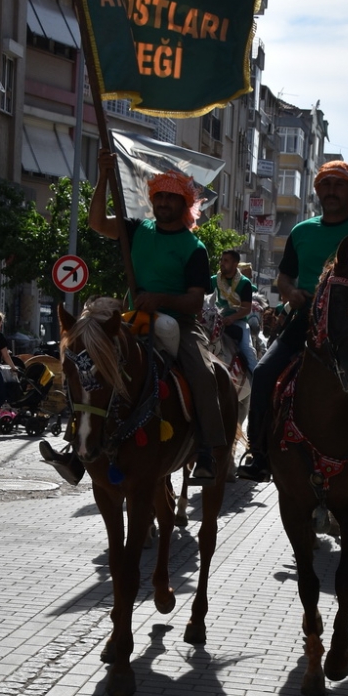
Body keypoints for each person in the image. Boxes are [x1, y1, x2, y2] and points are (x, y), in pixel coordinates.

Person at [240, 160, 348, 481]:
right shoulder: (301, 231)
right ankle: (259, 454)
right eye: (326, 185)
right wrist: (290, 292)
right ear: (318, 191)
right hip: (305, 320)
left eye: (339, 185)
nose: (331, 191)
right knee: (263, 373)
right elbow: (285, 277)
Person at [88, 152, 224, 484]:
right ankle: (80, 444)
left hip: (180, 323)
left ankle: (208, 449)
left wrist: (160, 298)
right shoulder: (136, 229)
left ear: (184, 203)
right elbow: (96, 223)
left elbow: (194, 301)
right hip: (133, 318)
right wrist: (104, 177)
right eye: (158, 196)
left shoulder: (194, 248)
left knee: (205, 374)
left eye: (171, 197)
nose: (163, 202)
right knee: (88, 363)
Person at [215, 250, 258, 373]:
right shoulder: (213, 280)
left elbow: (246, 309)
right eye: (221, 260)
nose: (222, 263)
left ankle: (255, 382)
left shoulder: (245, 283)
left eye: (226, 261)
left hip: (238, 323)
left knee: (247, 350)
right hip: (214, 322)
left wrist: (232, 318)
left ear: (235, 264)